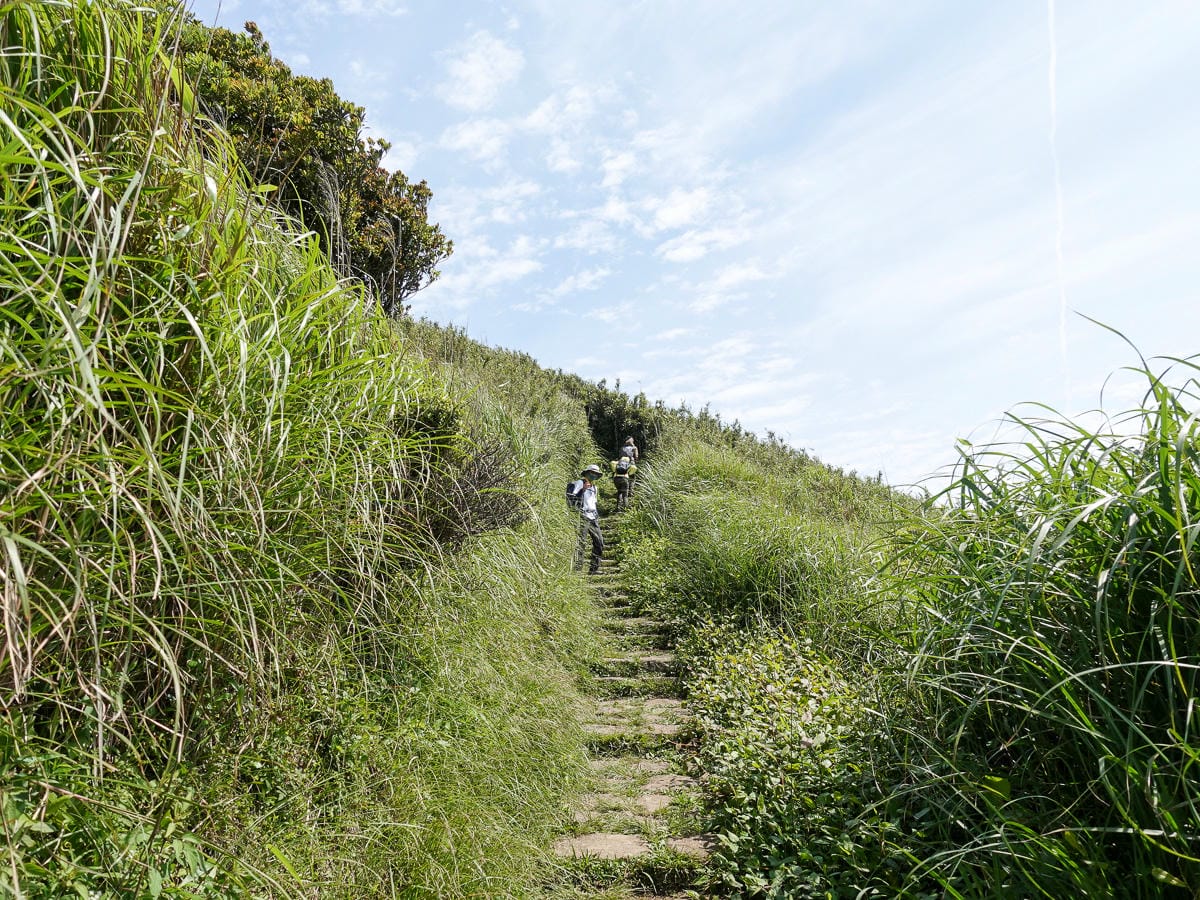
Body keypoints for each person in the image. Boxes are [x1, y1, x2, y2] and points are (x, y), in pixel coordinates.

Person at [568, 464, 604, 574]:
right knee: (581, 542)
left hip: (593, 517)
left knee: (599, 542)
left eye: (596, 474)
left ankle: (593, 569)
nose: (594, 475)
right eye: (592, 472)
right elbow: (571, 498)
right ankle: (577, 569)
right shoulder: (579, 483)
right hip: (582, 516)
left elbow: (593, 503)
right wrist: (582, 490)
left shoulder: (594, 488)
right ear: (587, 473)